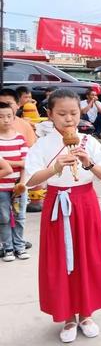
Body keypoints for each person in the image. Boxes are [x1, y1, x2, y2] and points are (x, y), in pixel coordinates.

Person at [24, 89, 101, 343]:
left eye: (74, 113)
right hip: (56, 202)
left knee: (87, 256)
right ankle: (67, 316)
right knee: (60, 259)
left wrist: (88, 163)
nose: (68, 119)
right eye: (62, 114)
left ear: (81, 112)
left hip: (85, 203)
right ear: (50, 114)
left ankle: (86, 314)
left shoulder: (90, 142)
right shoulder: (42, 145)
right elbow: (31, 181)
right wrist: (54, 168)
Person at [0, 102, 30, 262]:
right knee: (3, 218)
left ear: (14, 118)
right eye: (1, 117)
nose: (5, 120)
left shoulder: (20, 139)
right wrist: (18, 163)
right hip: (1, 187)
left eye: (8, 116)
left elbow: (27, 164)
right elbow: (20, 163)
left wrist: (22, 184)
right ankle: (8, 248)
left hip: (19, 187)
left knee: (20, 217)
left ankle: (19, 247)